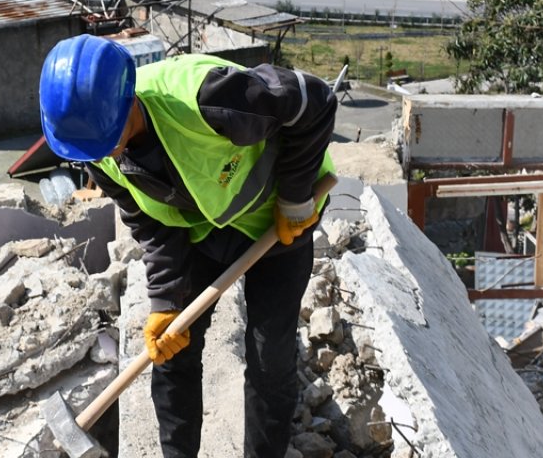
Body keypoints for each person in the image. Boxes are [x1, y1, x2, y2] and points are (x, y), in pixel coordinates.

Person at [38, 35, 337, 457]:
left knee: (270, 361)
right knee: (172, 351)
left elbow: (315, 100)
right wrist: (165, 299)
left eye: (106, 141)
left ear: (128, 104)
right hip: (204, 230)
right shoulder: (97, 150)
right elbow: (146, 220)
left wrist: (295, 197)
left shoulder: (205, 99)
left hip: (279, 223)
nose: (105, 156)